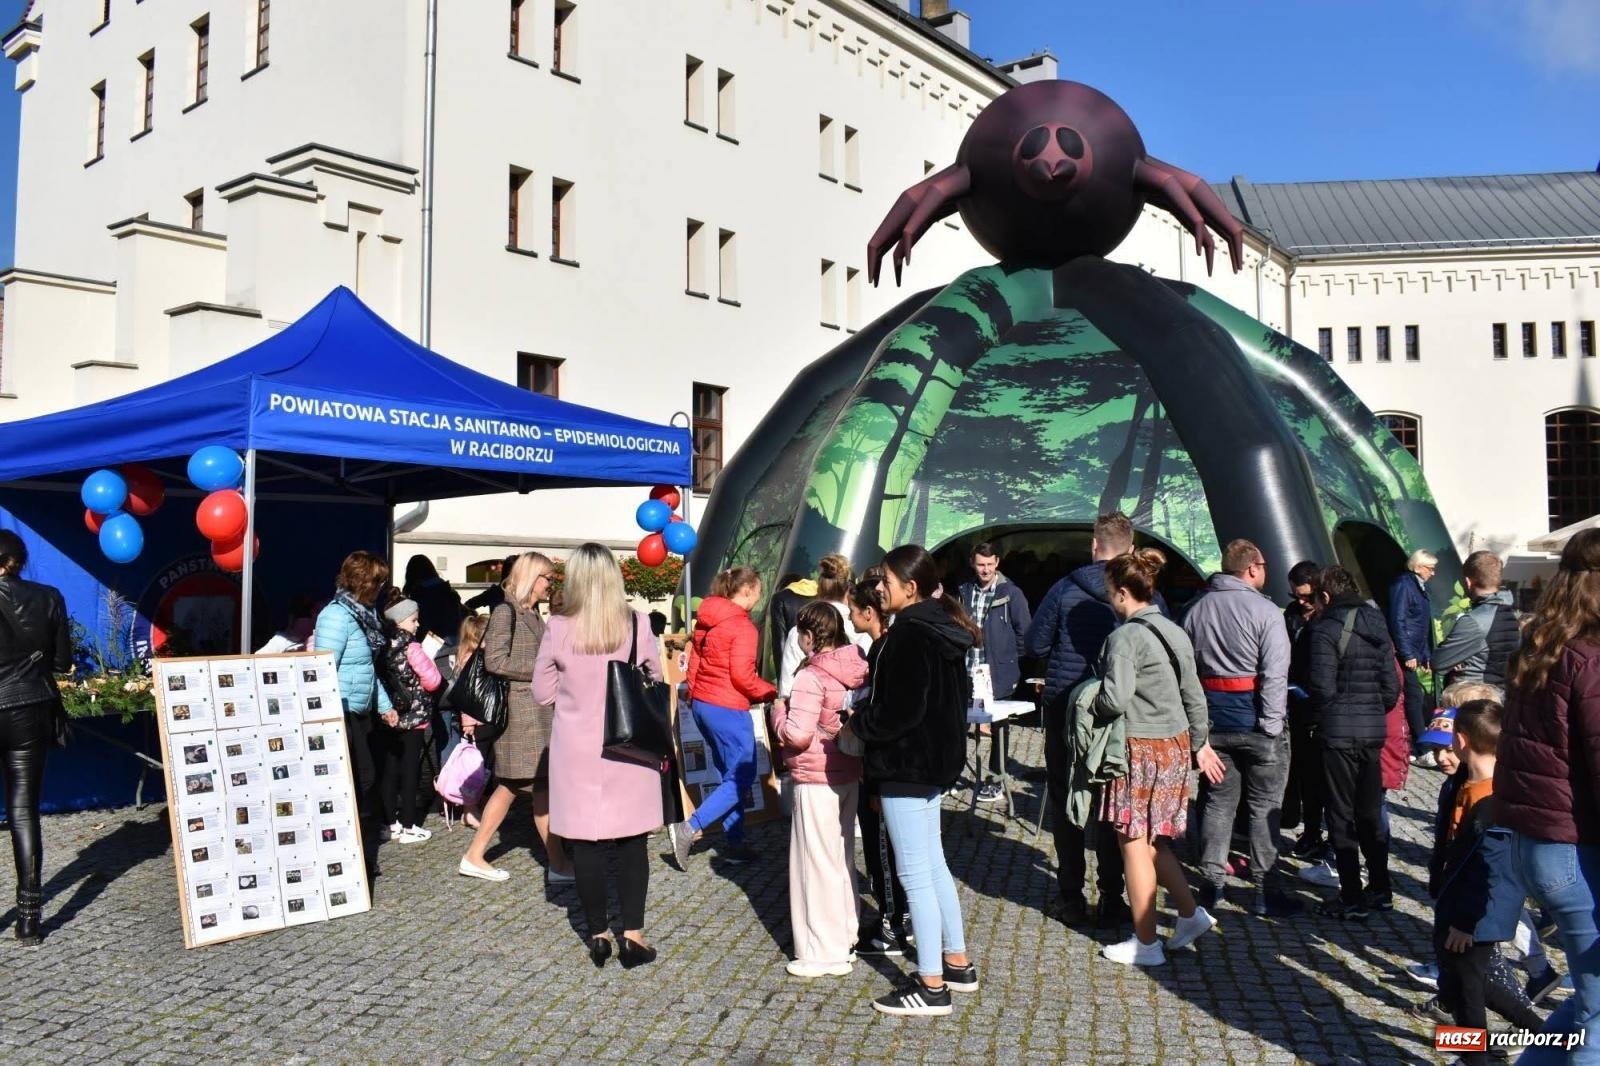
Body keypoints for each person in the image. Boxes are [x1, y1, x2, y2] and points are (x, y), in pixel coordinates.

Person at [842, 544, 977, 1017]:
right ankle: (956, 962)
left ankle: (931, 984)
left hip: (907, 764)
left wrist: (856, 724)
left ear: (910, 587)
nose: (879, 589)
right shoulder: (942, 628)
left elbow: (899, 710)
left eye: (886, 583)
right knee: (932, 865)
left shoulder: (908, 635)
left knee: (915, 875)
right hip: (933, 763)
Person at [1091, 547, 1225, 966]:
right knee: (1155, 841)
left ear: (1121, 594)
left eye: (1110, 591)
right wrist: (1197, 743)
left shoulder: (1124, 637)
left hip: (1138, 749)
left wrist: (1088, 703)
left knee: (1132, 843)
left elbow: (1114, 699)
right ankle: (1189, 915)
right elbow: (1194, 695)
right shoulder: (1174, 630)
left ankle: (1146, 944)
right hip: (1174, 747)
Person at [534, 543, 665, 969]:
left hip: (577, 748)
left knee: (585, 844)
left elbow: (542, 692)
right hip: (627, 744)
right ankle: (633, 934)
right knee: (632, 842)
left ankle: (597, 933)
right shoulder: (636, 623)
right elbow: (654, 676)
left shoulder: (559, 627)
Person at [1497, 528, 1600, 1061]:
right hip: (1574, 848)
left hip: (1537, 844)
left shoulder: (1541, 647)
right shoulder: (1589, 658)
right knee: (1599, 1011)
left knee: (1589, 998)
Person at [1023, 511, 1141, 927]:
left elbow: (1035, 643)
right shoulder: (1140, 593)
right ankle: (1112, 897)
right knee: (1110, 803)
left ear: (1094, 546)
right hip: (1115, 712)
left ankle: (1071, 896)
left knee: (1065, 798)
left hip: (1064, 707)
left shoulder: (1062, 589)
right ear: (1130, 550)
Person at [1409, 697, 1548, 1040]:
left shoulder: (1492, 802)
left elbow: (1490, 872)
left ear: (1462, 739)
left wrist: (1465, 923)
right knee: (1465, 984)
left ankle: (1478, 1058)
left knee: (1467, 999)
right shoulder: (1462, 783)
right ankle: (1549, 1035)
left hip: (1474, 917)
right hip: (1455, 903)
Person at [1183, 539, 1298, 917]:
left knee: (1217, 803)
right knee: (1265, 807)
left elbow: (1187, 673)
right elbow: (1275, 674)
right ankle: (1267, 891)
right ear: (1252, 568)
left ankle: (1211, 886)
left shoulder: (1195, 610)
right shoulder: (1266, 612)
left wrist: (1198, 731)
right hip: (1257, 722)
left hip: (1213, 724)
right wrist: (1270, 725)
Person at [773, 601, 870, 979]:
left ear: (809, 636)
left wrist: (778, 714)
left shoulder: (811, 677)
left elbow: (797, 734)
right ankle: (846, 931)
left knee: (815, 863)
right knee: (840, 856)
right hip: (847, 771)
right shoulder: (855, 665)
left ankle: (822, 951)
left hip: (815, 776)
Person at [460, 553, 571, 883]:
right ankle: (477, 855)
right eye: (547, 578)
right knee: (517, 784)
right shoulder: (505, 611)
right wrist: (541, 674)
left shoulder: (532, 613)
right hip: (520, 712)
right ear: (531, 577)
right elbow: (495, 662)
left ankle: (557, 863)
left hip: (536, 712)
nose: (551, 585)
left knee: (535, 787)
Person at [1306, 565, 1400, 920]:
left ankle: (1351, 896)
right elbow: (1392, 688)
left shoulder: (1325, 628)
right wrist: (1372, 711)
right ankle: (1381, 888)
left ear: (1326, 596)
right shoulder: (1378, 623)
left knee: (1341, 815)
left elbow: (1322, 687)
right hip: (1373, 731)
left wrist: (1327, 715)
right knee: (1370, 813)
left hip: (1338, 734)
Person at [668, 566, 778, 869]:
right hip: (728, 706)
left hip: (703, 704)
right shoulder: (743, 627)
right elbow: (744, 677)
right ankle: (689, 828)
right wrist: (770, 691)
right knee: (741, 777)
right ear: (747, 591)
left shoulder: (707, 619)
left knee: (729, 775)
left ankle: (735, 843)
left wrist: (694, 694)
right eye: (759, 589)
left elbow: (694, 663)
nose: (760, 594)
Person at [0, 531, 69, 943]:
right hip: (29, 708)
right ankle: (29, 919)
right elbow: (62, 662)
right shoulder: (49, 596)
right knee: (24, 810)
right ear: (19, 561)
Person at [313, 550, 394, 880]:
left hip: (361, 710)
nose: (381, 587)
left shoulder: (365, 615)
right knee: (359, 782)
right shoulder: (336, 617)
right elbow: (322, 668)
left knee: (364, 782)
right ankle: (349, 856)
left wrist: (384, 705)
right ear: (361, 581)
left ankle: (357, 854)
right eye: (377, 580)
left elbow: (367, 670)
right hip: (341, 712)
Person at [846, 577, 910, 956]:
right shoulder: (882, 647)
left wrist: (856, 719)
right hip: (884, 766)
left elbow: (884, 713)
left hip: (883, 767)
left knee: (882, 849)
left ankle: (892, 924)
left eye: (854, 611)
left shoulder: (884, 650)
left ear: (869, 613)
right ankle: (896, 915)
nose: (850, 617)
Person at [958, 542, 1033, 805]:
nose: (985, 569)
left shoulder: (1011, 593)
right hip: (968, 669)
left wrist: (1007, 659)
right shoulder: (964, 591)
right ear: (972, 563)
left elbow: (1025, 632)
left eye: (990, 564)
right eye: (981, 564)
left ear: (997, 563)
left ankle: (995, 778)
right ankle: (955, 772)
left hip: (997, 672)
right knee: (959, 723)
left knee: (998, 725)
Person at [375, 595, 443, 844]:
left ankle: (390, 822)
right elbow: (433, 681)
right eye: (414, 620)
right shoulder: (413, 648)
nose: (417, 624)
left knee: (390, 769)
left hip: (390, 715)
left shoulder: (383, 647)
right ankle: (409, 824)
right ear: (402, 621)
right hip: (414, 718)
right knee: (410, 770)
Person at [1281, 561, 1327, 860]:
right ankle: (1305, 827)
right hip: (1295, 703)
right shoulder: (1291, 615)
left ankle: (1318, 832)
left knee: (1320, 777)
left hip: (1321, 704)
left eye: (1307, 596)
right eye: (1296, 595)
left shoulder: (1327, 619)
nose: (1301, 602)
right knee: (1299, 771)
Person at [779, 554, 867, 695]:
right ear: (848, 592)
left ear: (818, 591)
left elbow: (787, 689)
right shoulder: (861, 630)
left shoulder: (799, 630)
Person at [1432, 550, 1522, 687]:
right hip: (1503, 696)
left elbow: (1438, 661)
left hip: (1473, 697)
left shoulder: (1474, 621)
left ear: (1468, 582)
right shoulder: (1514, 614)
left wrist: (1458, 657)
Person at [435, 614, 489, 827]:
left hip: (482, 718)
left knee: (483, 765)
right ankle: (470, 809)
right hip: (475, 720)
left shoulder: (476, 656)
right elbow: (467, 696)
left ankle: (475, 805)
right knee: (475, 766)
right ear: (478, 638)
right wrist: (468, 721)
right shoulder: (470, 660)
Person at [1387, 548, 1437, 762]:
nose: (1433, 573)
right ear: (1418, 567)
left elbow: (1421, 625)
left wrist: (1425, 655)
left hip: (1413, 651)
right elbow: (1398, 621)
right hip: (1403, 652)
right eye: (1430, 568)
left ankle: (1415, 746)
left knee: (1413, 697)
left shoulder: (1418, 587)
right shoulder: (1404, 586)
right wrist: (1408, 653)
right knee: (1414, 696)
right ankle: (1422, 746)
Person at [403, 555, 464, 643]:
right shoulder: (448, 590)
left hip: (433, 641)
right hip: (455, 638)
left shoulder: (420, 594)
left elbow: (423, 624)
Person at [767, 572, 816, 678]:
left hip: (791, 669)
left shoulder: (780, 599)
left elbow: (780, 644)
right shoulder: (823, 596)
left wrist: (781, 679)